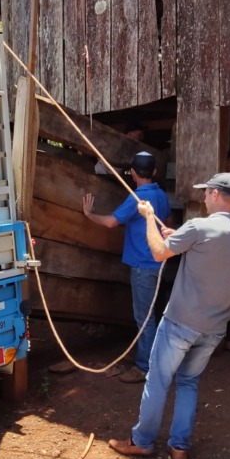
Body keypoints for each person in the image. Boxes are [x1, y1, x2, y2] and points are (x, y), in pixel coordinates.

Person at [108, 172, 230, 459]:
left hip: (181, 322)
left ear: (214, 194)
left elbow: (160, 253)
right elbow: (209, 254)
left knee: (158, 380)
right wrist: (180, 238)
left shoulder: (199, 226)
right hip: (214, 328)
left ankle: (142, 441)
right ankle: (179, 447)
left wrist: (149, 217)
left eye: (205, 193)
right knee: (188, 382)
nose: (202, 198)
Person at [80, 151, 171, 382]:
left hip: (143, 265)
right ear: (154, 172)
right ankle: (154, 358)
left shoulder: (138, 198)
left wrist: (89, 215)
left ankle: (145, 367)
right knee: (152, 313)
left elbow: (111, 221)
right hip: (158, 262)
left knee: (144, 318)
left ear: (132, 174)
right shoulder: (161, 195)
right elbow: (168, 222)